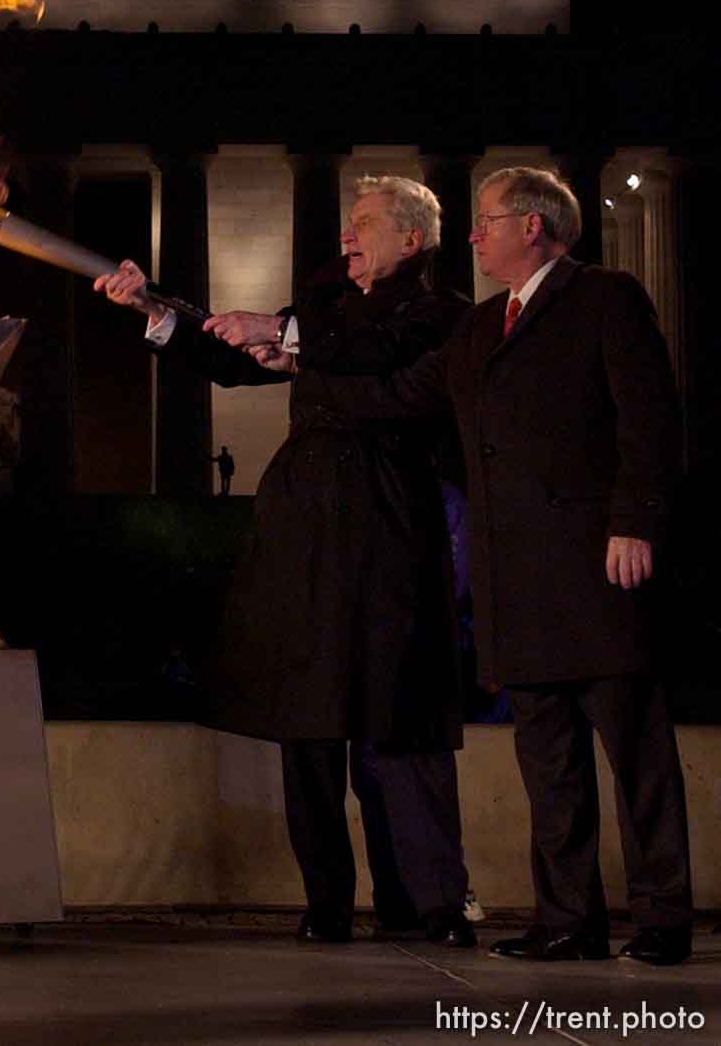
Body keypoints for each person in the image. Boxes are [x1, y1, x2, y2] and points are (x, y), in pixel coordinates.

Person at [271, 167, 691, 965]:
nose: (473, 234)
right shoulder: (481, 325)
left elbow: (649, 420)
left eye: (487, 219)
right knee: (549, 762)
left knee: (635, 754)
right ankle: (570, 918)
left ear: (531, 225)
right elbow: (398, 393)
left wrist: (633, 524)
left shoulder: (604, 296)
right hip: (514, 578)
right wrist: (292, 356)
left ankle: (660, 915)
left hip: (597, 569)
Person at [96, 176, 476, 948]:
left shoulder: (438, 312)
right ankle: (326, 903)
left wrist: (286, 333)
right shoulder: (324, 313)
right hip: (303, 529)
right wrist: (156, 309)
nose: (345, 236)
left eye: (363, 224)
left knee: (392, 719)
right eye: (346, 224)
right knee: (310, 723)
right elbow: (235, 355)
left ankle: (423, 904)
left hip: (387, 523)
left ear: (411, 239)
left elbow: (372, 350)